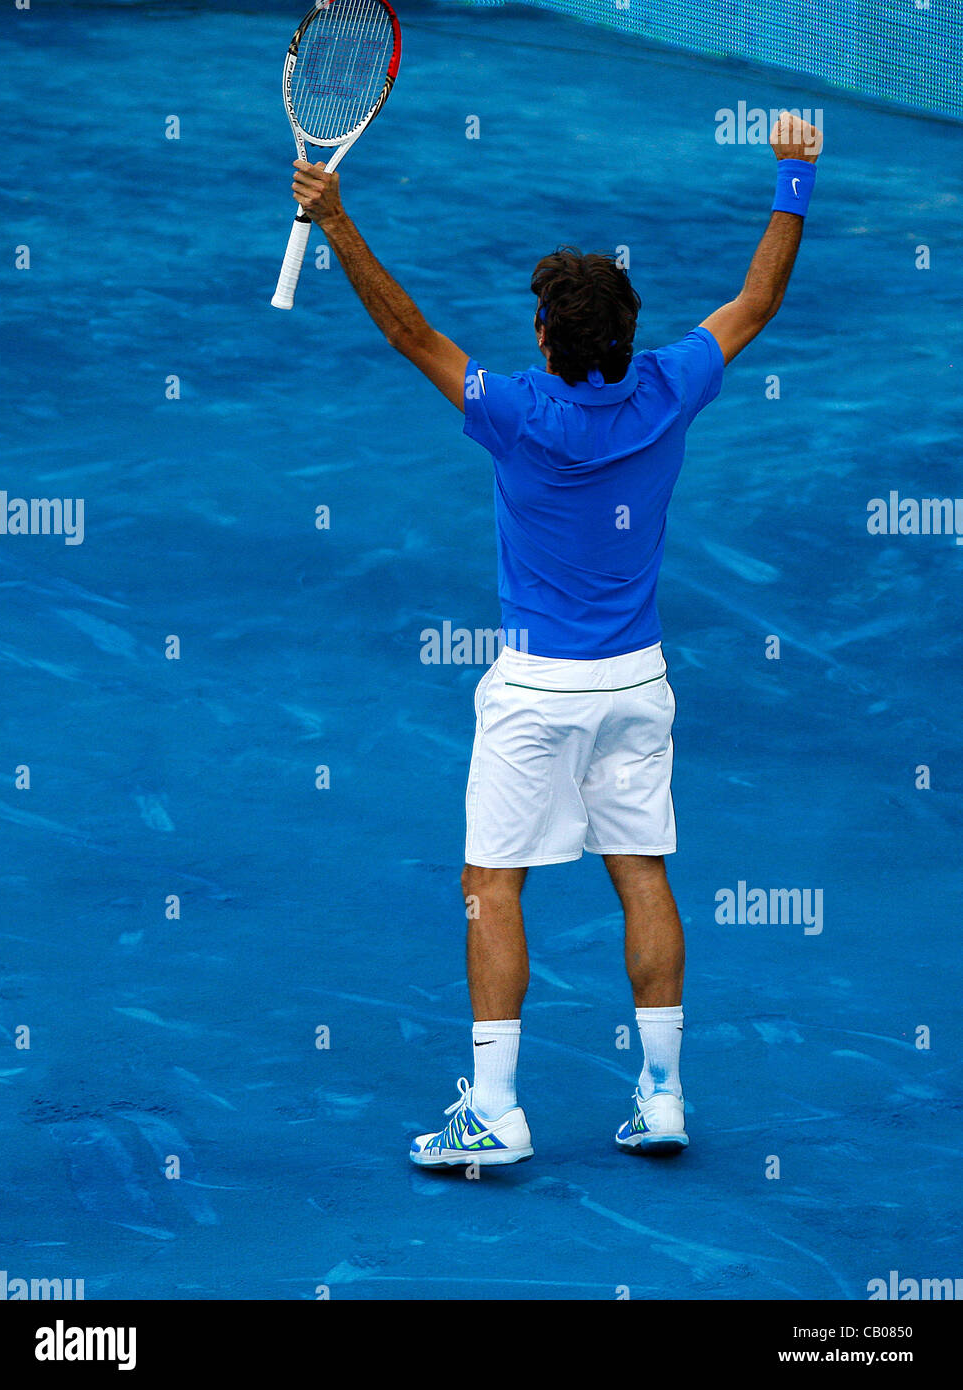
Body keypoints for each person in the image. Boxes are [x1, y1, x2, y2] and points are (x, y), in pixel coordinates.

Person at [290, 110, 823, 1167]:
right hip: (639, 683)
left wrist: (338, 221)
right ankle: (663, 1096)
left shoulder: (517, 411)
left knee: (493, 883)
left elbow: (409, 334)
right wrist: (794, 173)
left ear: (545, 340)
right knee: (642, 873)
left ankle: (496, 1110)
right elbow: (758, 299)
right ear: (629, 333)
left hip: (537, 692)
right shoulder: (670, 388)